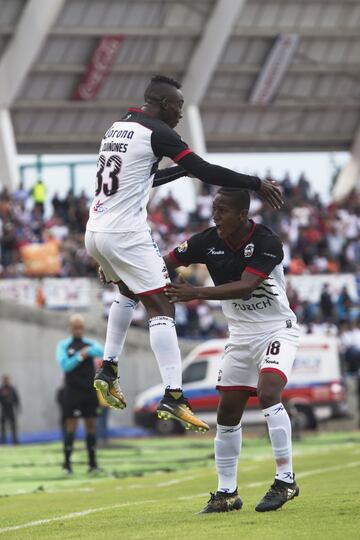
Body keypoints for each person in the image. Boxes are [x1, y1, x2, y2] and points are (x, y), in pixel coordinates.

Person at [85, 74, 283, 434]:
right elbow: (205, 171)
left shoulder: (117, 127)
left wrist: (180, 171)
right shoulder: (160, 133)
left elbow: (142, 179)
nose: (180, 112)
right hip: (125, 232)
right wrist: (256, 183)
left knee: (127, 292)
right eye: (177, 105)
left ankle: (108, 367)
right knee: (163, 306)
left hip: (96, 230)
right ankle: (174, 395)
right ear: (162, 104)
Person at [164, 187, 300, 513]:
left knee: (268, 393)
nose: (215, 216)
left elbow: (245, 286)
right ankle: (227, 493)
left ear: (242, 214)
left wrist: (195, 292)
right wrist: (119, 272)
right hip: (239, 335)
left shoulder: (267, 242)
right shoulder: (206, 241)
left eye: (222, 211)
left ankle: (286, 480)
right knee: (226, 413)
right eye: (214, 209)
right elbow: (164, 261)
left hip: (276, 329)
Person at [56, 314, 104, 474]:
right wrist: (80, 356)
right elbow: (65, 365)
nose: (78, 330)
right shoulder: (64, 345)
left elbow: (101, 350)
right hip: (72, 392)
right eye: (75, 327)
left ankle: (93, 464)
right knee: (71, 426)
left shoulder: (89, 344)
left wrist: (87, 350)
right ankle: (67, 464)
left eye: (80, 327)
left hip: (89, 391)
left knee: (91, 425)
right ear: (70, 327)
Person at [0, 375, 20, 444]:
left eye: (7, 379)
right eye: (5, 380)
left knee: (13, 426)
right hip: (4, 409)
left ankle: (15, 440)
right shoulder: (1, 389)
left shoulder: (12, 388)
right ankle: (3, 441)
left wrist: (18, 407)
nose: (6, 381)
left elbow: (16, 399)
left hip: (11, 409)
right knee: (3, 426)